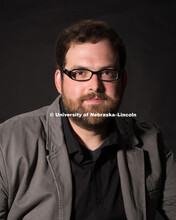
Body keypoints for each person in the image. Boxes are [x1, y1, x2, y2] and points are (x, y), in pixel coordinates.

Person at [0, 19, 176, 220]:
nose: (95, 85)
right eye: (80, 73)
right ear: (60, 81)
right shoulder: (7, 143)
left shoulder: (153, 143)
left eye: (107, 72)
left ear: (123, 80)